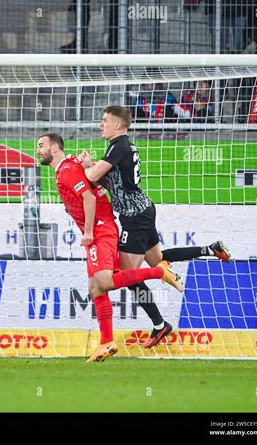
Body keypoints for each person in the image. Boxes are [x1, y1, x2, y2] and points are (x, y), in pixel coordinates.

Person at [81, 106, 231, 348]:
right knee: (157, 258)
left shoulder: (118, 146)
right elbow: (113, 185)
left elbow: (91, 176)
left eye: (105, 120)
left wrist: (88, 165)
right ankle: (210, 249)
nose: (101, 124)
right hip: (144, 209)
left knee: (127, 275)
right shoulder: (120, 147)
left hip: (134, 217)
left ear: (119, 125)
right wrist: (95, 169)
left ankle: (160, 325)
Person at [36, 133, 183, 362]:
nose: (38, 150)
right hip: (99, 229)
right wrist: (88, 164)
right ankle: (106, 342)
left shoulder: (67, 170)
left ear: (55, 149)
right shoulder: (70, 165)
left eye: (41, 146)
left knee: (104, 282)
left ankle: (159, 271)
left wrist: (87, 232)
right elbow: (96, 186)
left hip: (99, 230)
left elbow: (90, 198)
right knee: (96, 288)